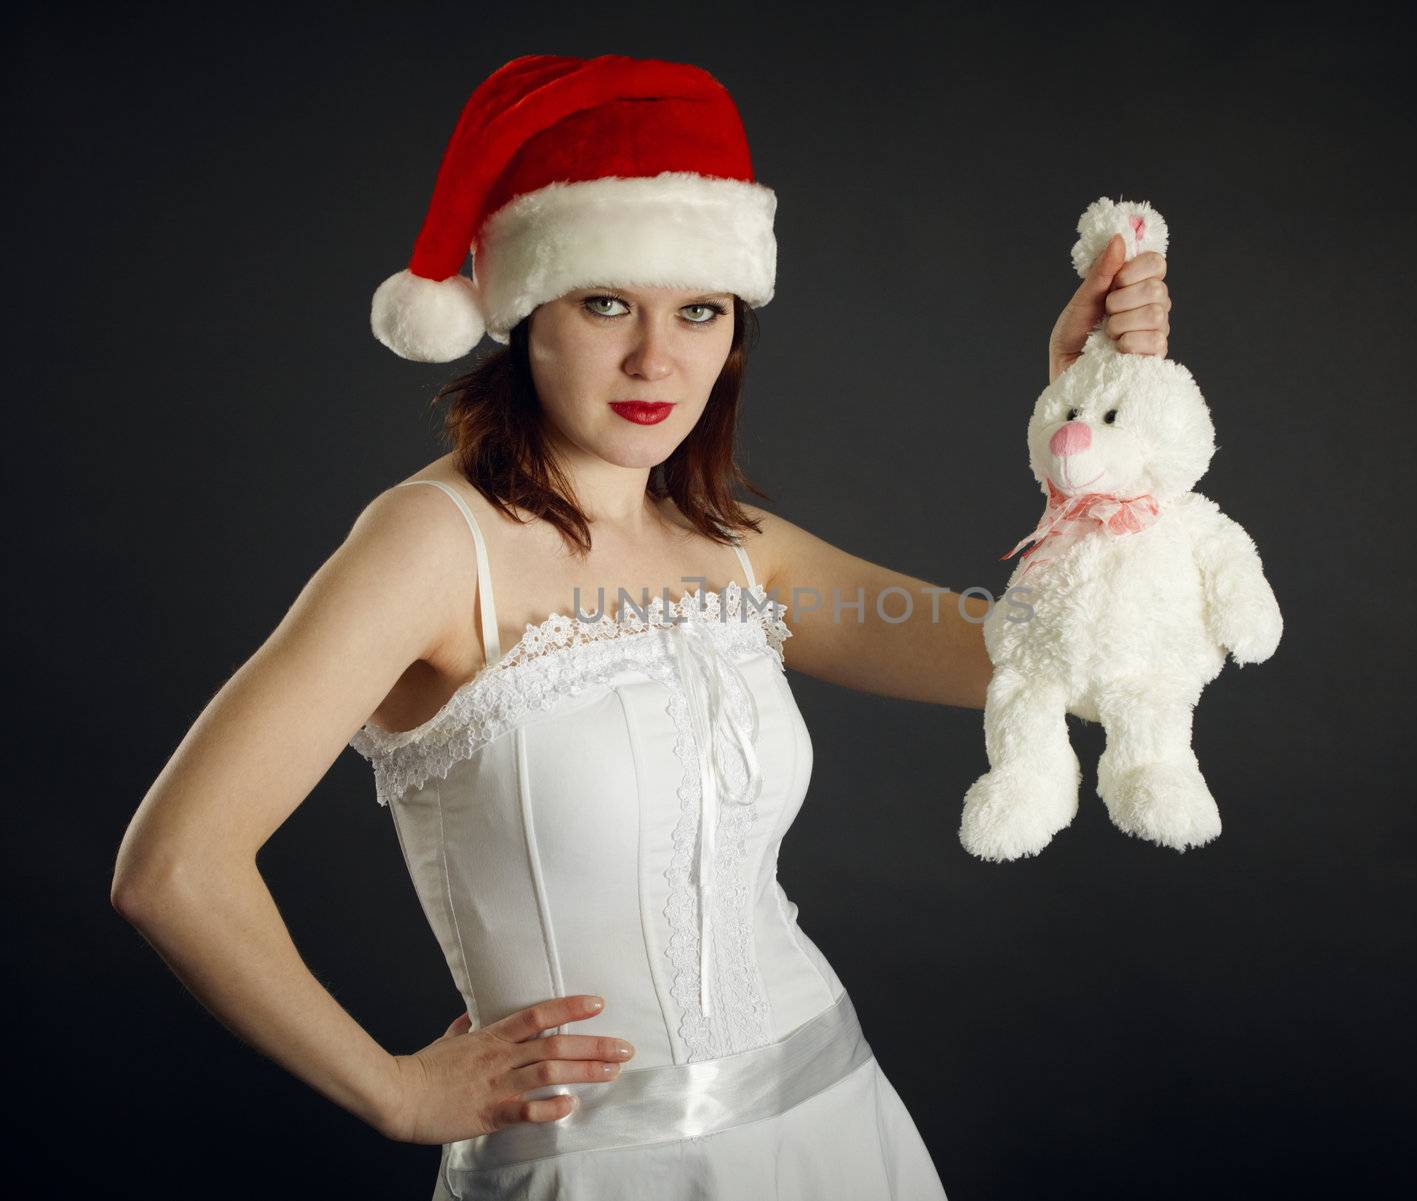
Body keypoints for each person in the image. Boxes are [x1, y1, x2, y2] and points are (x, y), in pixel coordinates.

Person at [110, 53, 1171, 1201]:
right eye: (605, 301)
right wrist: (396, 1090)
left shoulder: (734, 543)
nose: (656, 359)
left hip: (832, 1119)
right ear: (524, 311)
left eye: (699, 310)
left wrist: (1092, 419)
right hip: (593, 1166)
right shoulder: (428, 546)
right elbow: (173, 868)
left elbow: (1048, 663)